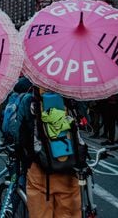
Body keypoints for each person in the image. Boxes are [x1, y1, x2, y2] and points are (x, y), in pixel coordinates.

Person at [25, 86, 81, 218]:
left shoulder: (29, 101)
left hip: (40, 169)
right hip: (68, 168)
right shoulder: (71, 98)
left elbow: (17, 133)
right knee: (69, 213)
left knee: (40, 213)